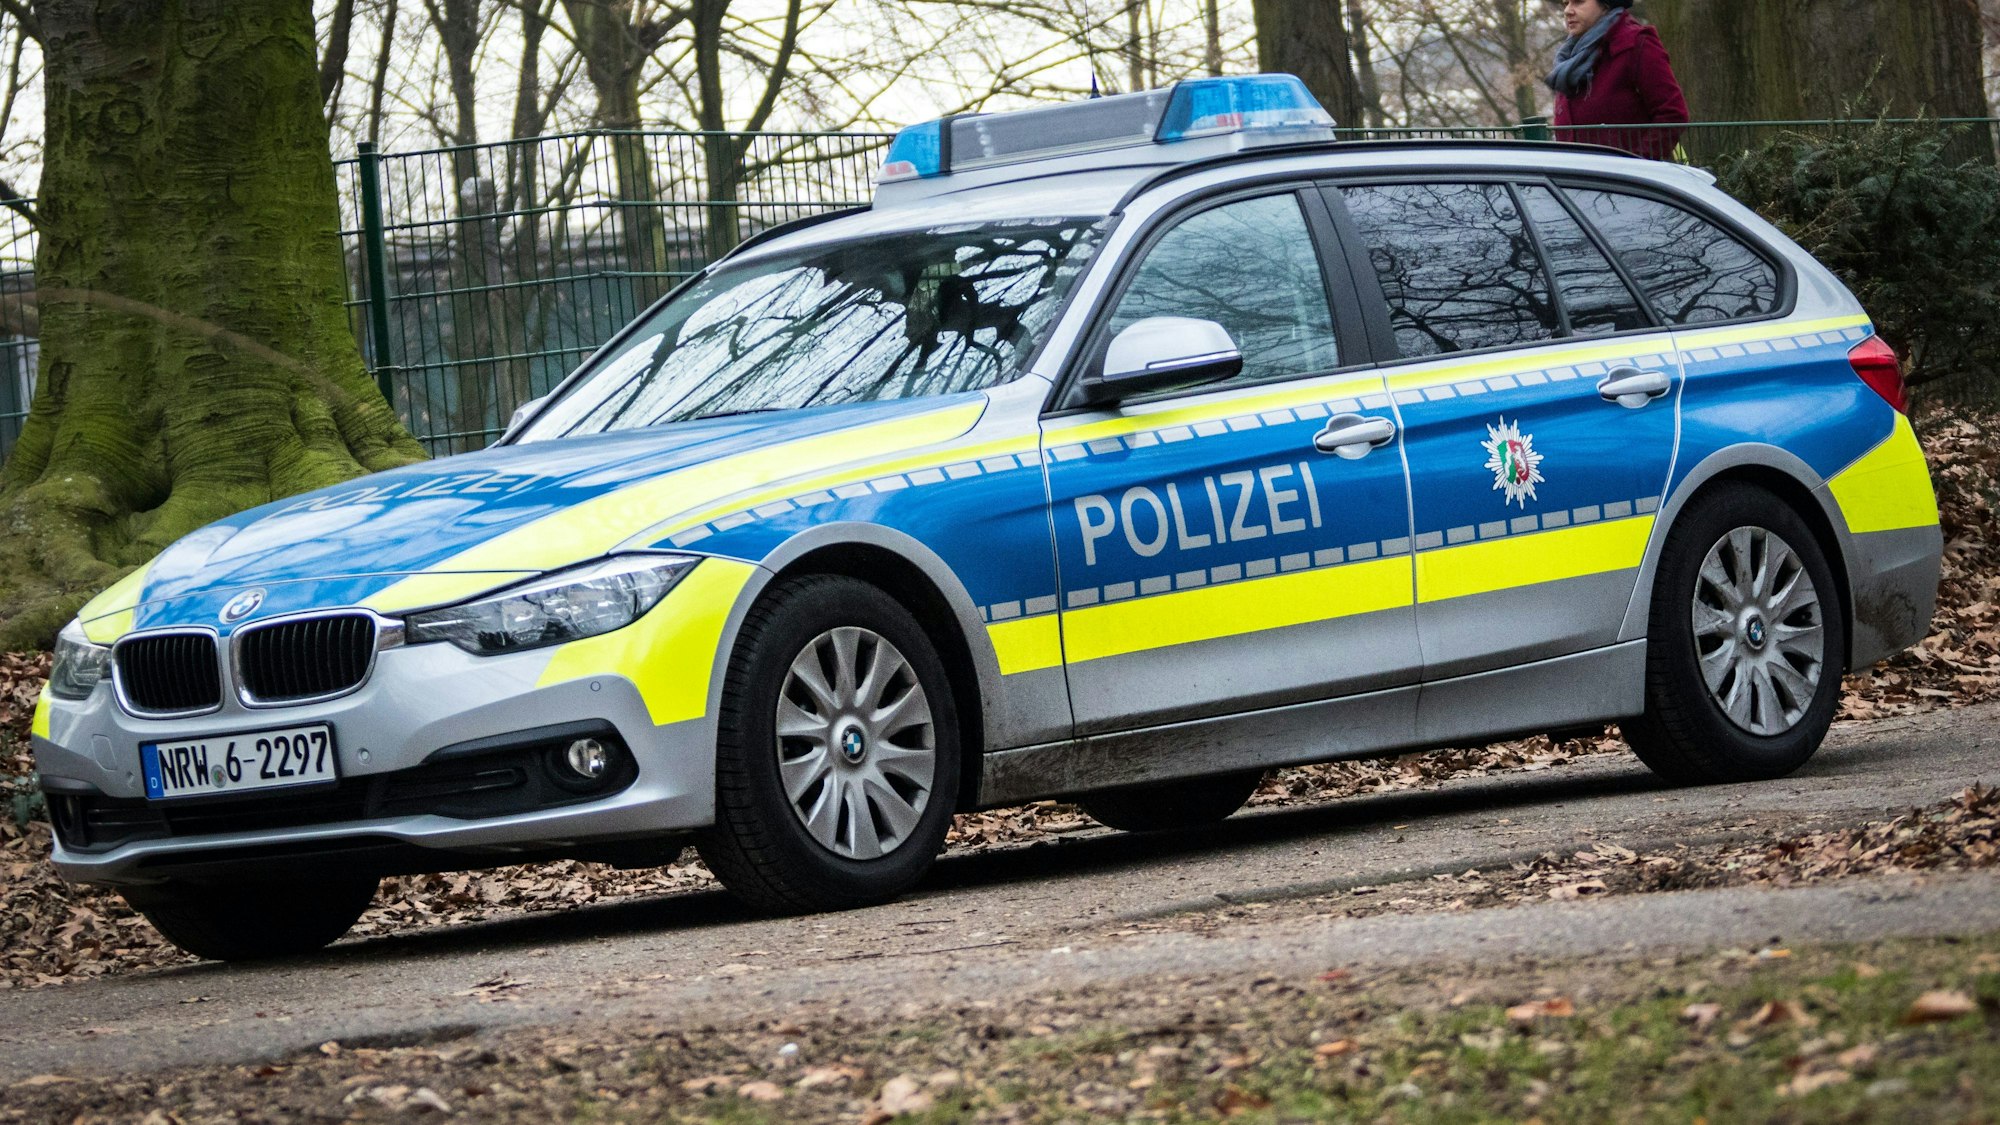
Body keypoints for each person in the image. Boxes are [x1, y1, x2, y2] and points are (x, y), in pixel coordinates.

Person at [1547, 0, 1690, 160]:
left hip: (1626, 181)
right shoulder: (1569, 57)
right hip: (1577, 179)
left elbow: (1672, 113)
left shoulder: (1636, 44)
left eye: (1578, 2)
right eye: (1566, 3)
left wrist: (1635, 166)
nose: (1567, 10)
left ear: (1606, 4)